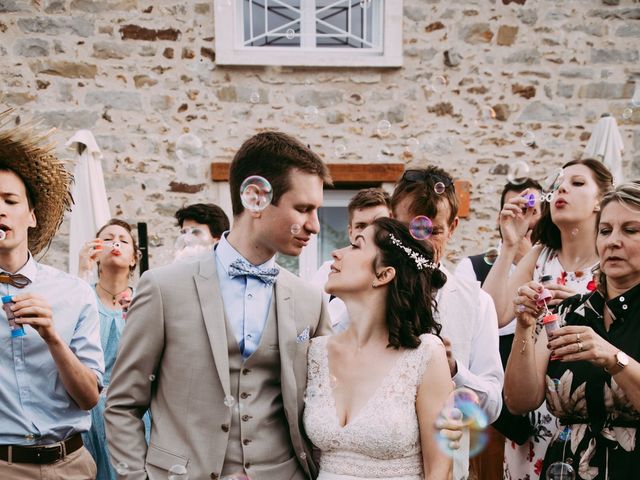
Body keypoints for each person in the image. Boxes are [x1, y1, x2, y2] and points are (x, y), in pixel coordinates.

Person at [105, 131, 333, 480]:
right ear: (255, 197)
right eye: (303, 209)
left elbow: (324, 407)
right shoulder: (163, 288)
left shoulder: (310, 301)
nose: (315, 226)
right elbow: (122, 404)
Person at [483, 158, 613, 479]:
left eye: (578, 183)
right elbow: (493, 313)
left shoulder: (613, 262)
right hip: (533, 417)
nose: (562, 189)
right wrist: (510, 245)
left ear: (600, 200)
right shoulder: (541, 256)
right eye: (557, 185)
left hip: (589, 416)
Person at [505, 182, 640, 479]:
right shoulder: (570, 312)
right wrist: (525, 329)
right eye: (605, 231)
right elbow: (520, 401)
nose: (613, 241)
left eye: (631, 230)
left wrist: (613, 357)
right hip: (567, 467)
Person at [304, 217, 453, 480]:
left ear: (384, 274)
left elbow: (439, 469)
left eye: (355, 246)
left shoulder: (425, 354)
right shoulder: (316, 352)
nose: (336, 253)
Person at [0, 111, 104, 479]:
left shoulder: (73, 293)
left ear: (31, 215)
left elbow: (90, 398)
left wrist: (52, 337)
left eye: (9, 200)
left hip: (70, 465)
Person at [391, 166, 503, 480]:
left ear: (452, 227)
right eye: (410, 228)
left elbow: (493, 404)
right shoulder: (365, 291)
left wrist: (455, 370)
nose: (420, 240)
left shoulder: (477, 302)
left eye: (434, 230)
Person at [454, 179, 542, 479]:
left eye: (530, 206)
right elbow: (485, 318)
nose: (522, 212)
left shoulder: (550, 262)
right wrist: (511, 249)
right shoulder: (473, 266)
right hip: (495, 402)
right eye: (514, 204)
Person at [78, 219, 151, 480]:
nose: (116, 242)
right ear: (96, 252)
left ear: (134, 258)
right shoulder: (80, 294)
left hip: (135, 408)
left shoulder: (146, 299)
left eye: (123, 239)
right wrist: (82, 270)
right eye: (108, 238)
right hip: (88, 407)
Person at [311, 188, 392, 332]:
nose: (369, 232)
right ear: (350, 232)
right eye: (361, 226)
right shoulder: (327, 272)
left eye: (378, 225)